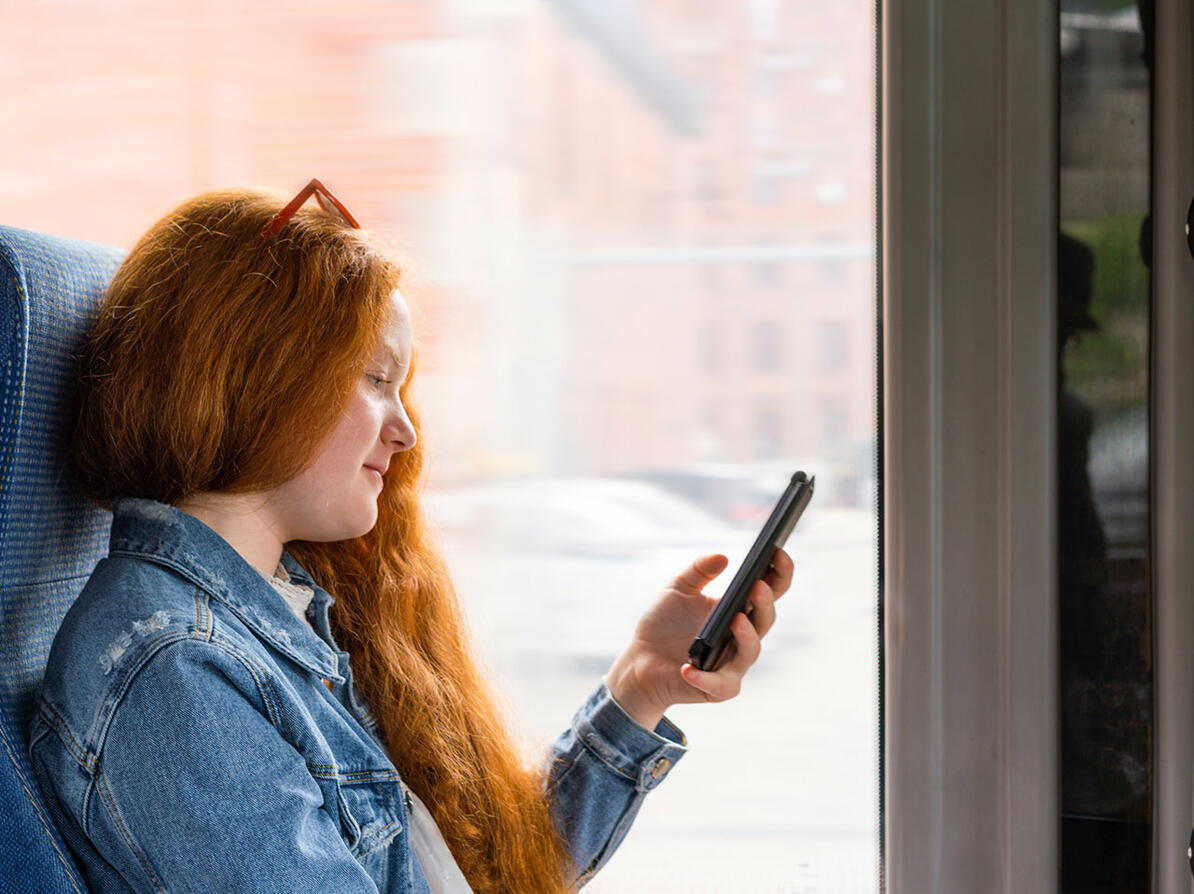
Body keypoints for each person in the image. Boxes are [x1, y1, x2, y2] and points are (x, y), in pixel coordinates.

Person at [27, 180, 793, 894]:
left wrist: (641, 685)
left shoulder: (280, 618)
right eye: (373, 379)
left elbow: (486, 868)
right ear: (254, 378)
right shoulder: (177, 670)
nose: (405, 429)